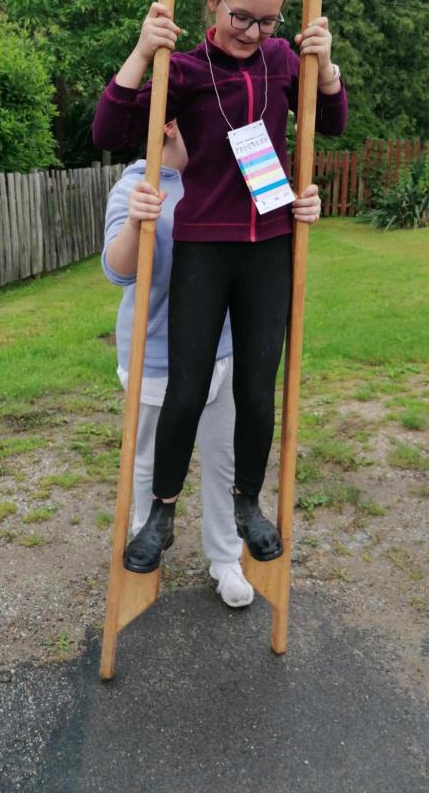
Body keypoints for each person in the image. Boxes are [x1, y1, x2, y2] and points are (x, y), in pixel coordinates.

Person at [93, 0, 347, 571]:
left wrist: (327, 68)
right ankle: (161, 514)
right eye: (242, 17)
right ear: (213, 1)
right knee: (186, 389)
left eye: (268, 21)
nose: (254, 33)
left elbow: (333, 121)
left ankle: (247, 505)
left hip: (269, 248)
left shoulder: (284, 60)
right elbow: (108, 129)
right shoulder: (183, 71)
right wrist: (142, 51)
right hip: (205, 249)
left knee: (257, 393)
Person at [102, 118, 322, 605]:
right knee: (150, 461)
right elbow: (117, 271)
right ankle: (147, 539)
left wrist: (303, 208)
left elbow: (273, 235)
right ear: (170, 125)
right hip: (157, 356)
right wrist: (137, 221)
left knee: (224, 462)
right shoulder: (139, 182)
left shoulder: (235, 173)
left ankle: (225, 559)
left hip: (223, 349)